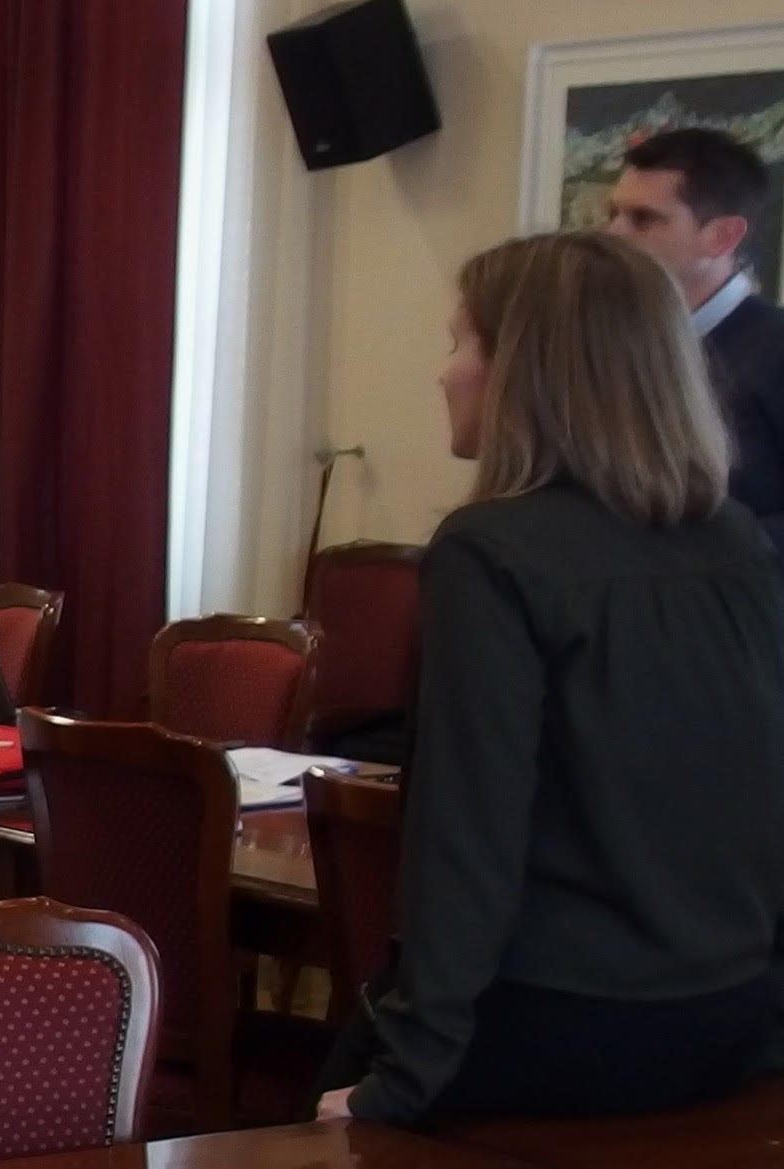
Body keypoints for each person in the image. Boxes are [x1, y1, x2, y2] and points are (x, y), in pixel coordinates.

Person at [310, 231, 784, 1127]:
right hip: (730, 1017)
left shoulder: (489, 550)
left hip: (558, 1022)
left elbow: (467, 832)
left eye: (460, 342)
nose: (444, 372)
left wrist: (403, 1077)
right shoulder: (733, 538)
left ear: (522, 372)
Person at [602, 128, 784, 547]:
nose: (613, 234)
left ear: (723, 236)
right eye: (612, 214)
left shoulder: (775, 349)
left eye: (643, 219)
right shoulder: (613, 348)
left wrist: (703, 555)